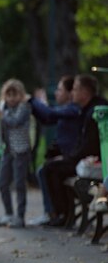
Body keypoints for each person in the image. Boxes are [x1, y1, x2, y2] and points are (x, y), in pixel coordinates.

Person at [42, 74, 108, 226]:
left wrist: (69, 158)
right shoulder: (88, 109)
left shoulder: (96, 111)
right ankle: (62, 214)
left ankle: (62, 215)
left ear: (85, 93)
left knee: (51, 169)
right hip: (87, 159)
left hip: (96, 162)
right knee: (50, 167)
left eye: (76, 89)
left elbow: (90, 146)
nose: (72, 93)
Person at [26, 76, 82, 226]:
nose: (56, 93)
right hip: (65, 156)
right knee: (44, 170)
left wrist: (31, 100)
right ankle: (54, 213)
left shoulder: (73, 109)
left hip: (71, 158)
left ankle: (52, 213)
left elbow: (50, 114)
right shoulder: (68, 110)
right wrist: (34, 107)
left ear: (70, 93)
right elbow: (47, 119)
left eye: (59, 89)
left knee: (44, 170)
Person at [0, 79, 32, 228]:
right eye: (8, 95)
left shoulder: (24, 108)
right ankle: (9, 213)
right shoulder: (3, 107)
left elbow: (15, 122)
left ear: (21, 95)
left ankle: (20, 216)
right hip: (7, 150)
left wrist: (1, 115)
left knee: (19, 184)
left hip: (21, 151)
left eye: (14, 94)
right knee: (2, 183)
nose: (11, 98)